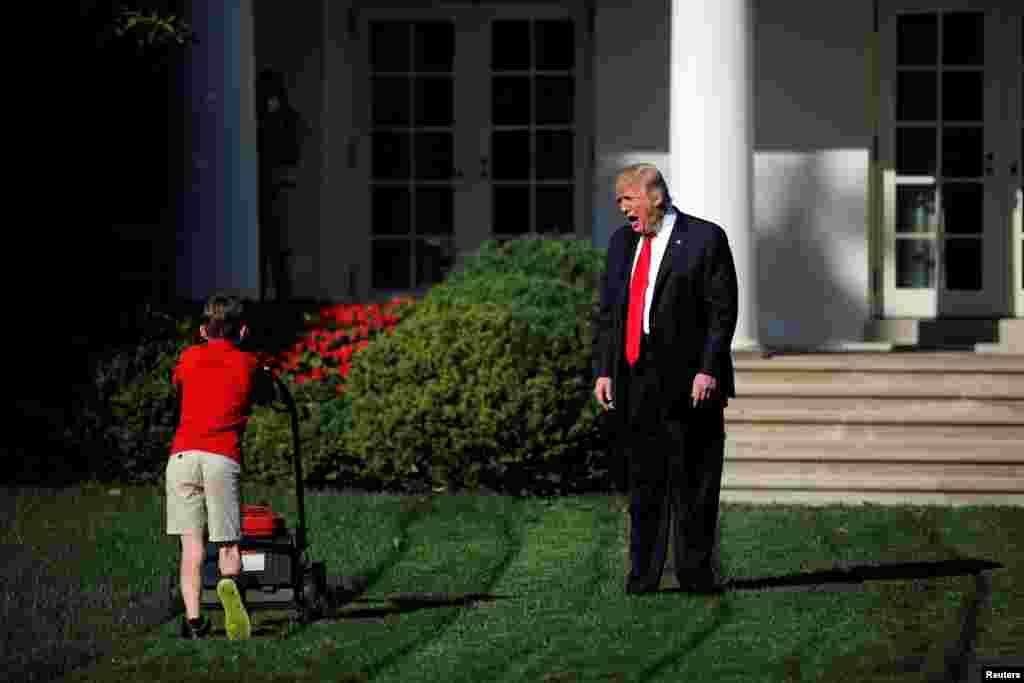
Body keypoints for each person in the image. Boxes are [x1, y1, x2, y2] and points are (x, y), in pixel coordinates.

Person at [592, 163, 738, 595]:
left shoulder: (705, 238)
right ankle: (643, 576)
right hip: (637, 376)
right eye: (619, 201)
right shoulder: (622, 243)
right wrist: (604, 369)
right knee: (645, 480)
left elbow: (722, 311)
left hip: (692, 377)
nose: (622, 209)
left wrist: (708, 368)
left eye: (628, 199)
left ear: (655, 197)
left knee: (695, 478)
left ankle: (695, 574)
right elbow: (608, 313)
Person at [166, 293, 274, 639]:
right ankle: (229, 585)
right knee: (228, 544)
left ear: (202, 329)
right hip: (220, 457)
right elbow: (265, 395)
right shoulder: (248, 362)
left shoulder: (189, 357)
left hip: (182, 458)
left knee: (192, 547)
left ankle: (195, 622)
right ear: (242, 331)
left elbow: (179, 385)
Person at [256, 68, 308, 302]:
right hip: (266, 188)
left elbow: (291, 154)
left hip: (277, 188)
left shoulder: (286, 119)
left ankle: (283, 300)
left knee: (279, 250)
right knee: (266, 251)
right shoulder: (263, 119)